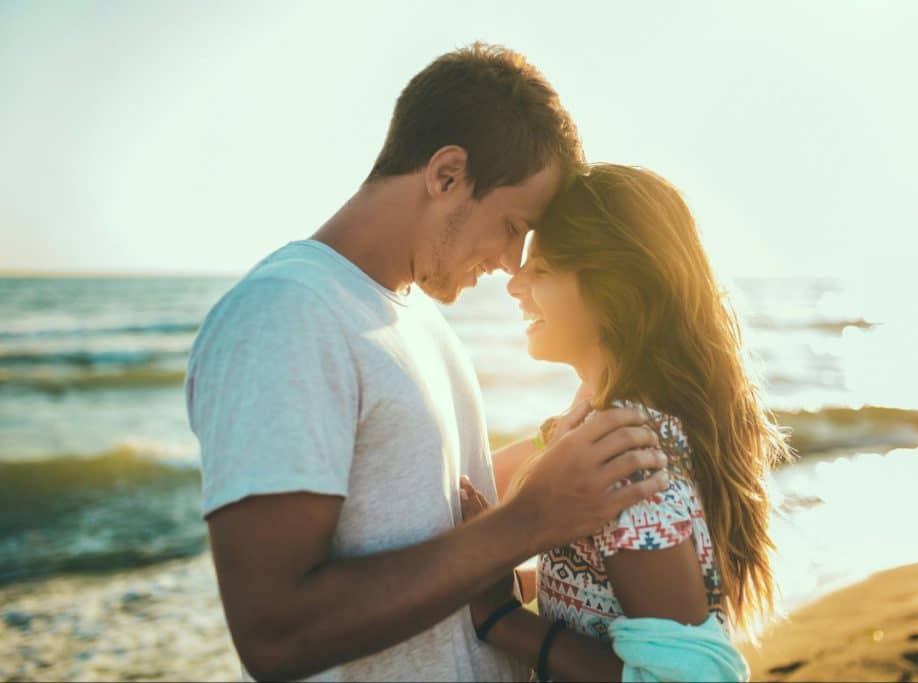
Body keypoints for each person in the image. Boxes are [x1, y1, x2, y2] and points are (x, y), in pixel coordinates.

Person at [185, 45, 671, 682]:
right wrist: (530, 521)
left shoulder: (412, 314)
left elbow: (412, 502)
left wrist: (555, 448)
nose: (511, 264)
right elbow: (276, 633)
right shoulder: (285, 314)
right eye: (511, 225)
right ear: (446, 175)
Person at [459, 164, 790, 681]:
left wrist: (502, 620)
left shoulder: (622, 456)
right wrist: (511, 580)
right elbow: (600, 591)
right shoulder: (596, 423)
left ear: (614, 289)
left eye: (542, 269)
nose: (515, 285)